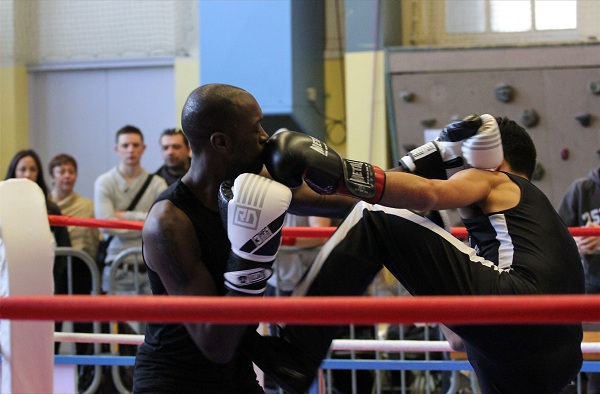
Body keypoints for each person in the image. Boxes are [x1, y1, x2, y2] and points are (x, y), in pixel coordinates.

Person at [253, 116, 585, 394]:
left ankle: (296, 350)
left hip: (519, 309)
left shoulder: (497, 178)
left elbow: (428, 193)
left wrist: (343, 173)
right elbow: (456, 339)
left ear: (493, 159)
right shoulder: (525, 234)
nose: (457, 172)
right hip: (547, 359)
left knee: (375, 217)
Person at [132, 84, 353, 393]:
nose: (266, 137)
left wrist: (420, 176)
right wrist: (250, 259)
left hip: (235, 371)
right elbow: (214, 343)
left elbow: (337, 200)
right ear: (221, 142)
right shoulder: (169, 223)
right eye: (255, 129)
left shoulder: (252, 186)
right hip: (174, 380)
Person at [4, 149, 72, 353]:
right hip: (8, 284)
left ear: (39, 174)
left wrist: (51, 280)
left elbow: (63, 250)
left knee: (46, 346)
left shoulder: (51, 209)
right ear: (13, 172)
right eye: (22, 169)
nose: (27, 174)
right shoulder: (2, 205)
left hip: (45, 285)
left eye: (32, 169)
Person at [48, 152, 101, 391]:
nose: (67, 177)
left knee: (83, 328)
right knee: (52, 327)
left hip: (81, 270)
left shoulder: (86, 206)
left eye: (71, 172)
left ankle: (85, 381)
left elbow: (92, 241)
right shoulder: (46, 205)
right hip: (53, 272)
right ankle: (48, 379)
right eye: (61, 172)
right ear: (52, 176)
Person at [94, 125, 167, 295]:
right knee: (119, 322)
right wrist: (145, 221)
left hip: (151, 266)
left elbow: (160, 224)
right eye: (125, 145)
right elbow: (106, 225)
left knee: (154, 320)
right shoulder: (104, 182)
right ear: (116, 149)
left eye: (135, 145)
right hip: (118, 267)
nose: (130, 150)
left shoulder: (158, 183)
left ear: (143, 148)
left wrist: (124, 216)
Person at [558, 166, 600, 394]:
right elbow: (555, 237)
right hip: (592, 288)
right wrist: (577, 244)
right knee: (595, 365)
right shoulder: (581, 190)